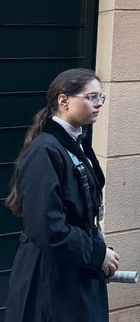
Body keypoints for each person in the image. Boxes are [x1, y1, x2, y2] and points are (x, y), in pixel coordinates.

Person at [5, 68, 119, 322]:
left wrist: (97, 251)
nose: (99, 103)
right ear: (64, 101)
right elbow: (47, 229)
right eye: (91, 97)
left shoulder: (77, 143)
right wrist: (96, 253)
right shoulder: (45, 151)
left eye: (101, 97)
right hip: (49, 278)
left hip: (73, 270)